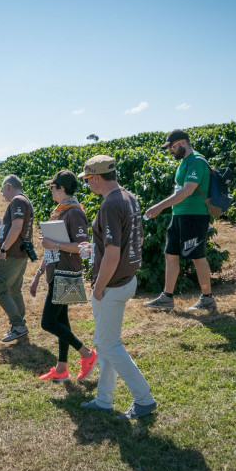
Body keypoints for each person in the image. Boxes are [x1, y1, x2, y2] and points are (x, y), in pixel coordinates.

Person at [78, 155, 158, 420]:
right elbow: (121, 244)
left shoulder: (110, 204)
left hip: (111, 284)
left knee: (109, 344)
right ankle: (104, 399)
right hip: (126, 279)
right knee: (105, 341)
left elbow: (113, 253)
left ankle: (144, 399)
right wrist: (95, 249)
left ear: (98, 178)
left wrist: (99, 286)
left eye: (88, 179)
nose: (87, 184)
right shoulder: (128, 197)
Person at [28, 170, 98, 382]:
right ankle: (61, 369)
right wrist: (39, 273)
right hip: (56, 272)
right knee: (61, 320)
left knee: (48, 322)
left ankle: (87, 353)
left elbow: (82, 246)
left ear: (62, 189)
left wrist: (55, 244)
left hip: (66, 272)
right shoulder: (61, 211)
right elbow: (51, 247)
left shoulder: (74, 213)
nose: (51, 190)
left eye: (53, 187)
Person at [143, 129, 217, 312]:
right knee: (170, 254)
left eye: (172, 147)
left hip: (195, 215)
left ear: (183, 142)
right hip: (179, 215)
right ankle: (167, 297)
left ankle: (207, 298)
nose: (170, 151)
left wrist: (159, 206)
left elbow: (186, 191)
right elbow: (179, 191)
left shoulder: (196, 162)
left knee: (197, 256)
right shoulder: (184, 162)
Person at [0, 174, 35, 342]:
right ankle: (19, 324)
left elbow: (17, 228)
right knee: (14, 289)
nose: (2, 193)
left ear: (9, 186)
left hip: (12, 253)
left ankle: (18, 325)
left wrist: (4, 248)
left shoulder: (17, 201)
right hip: (20, 253)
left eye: (2, 189)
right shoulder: (24, 200)